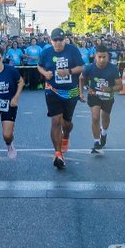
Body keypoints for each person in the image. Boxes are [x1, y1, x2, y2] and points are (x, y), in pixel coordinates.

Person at [38, 28, 85, 169]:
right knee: (55, 121)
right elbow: (39, 66)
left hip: (70, 92)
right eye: (55, 40)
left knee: (67, 123)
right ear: (50, 41)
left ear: (65, 39)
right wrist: (44, 73)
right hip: (52, 91)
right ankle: (58, 153)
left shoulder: (72, 50)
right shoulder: (46, 52)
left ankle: (66, 136)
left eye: (60, 40)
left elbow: (81, 67)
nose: (58, 43)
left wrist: (68, 71)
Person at [79, 45, 122, 153]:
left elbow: (120, 86)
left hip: (108, 97)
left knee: (105, 118)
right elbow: (81, 78)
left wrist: (109, 88)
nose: (102, 59)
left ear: (108, 56)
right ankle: (97, 141)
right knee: (95, 117)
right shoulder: (89, 68)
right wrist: (83, 90)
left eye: (104, 57)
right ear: (95, 57)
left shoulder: (113, 69)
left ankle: (104, 133)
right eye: (99, 57)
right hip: (94, 96)